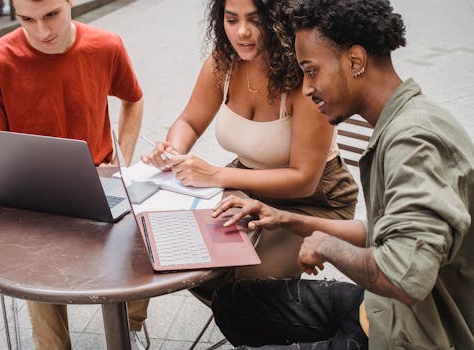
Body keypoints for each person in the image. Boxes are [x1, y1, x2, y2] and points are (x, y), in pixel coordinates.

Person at [210, 0, 474, 349]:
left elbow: (405, 276)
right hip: (375, 308)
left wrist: (328, 246)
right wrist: (285, 218)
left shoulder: (415, 142)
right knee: (233, 304)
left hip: (405, 337)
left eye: (312, 70)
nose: (305, 87)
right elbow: (381, 235)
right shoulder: (399, 122)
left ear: (355, 61)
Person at [0, 0, 148, 348]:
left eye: (52, 15)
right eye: (26, 20)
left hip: (100, 182)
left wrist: (122, 162)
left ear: (69, 2)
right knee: (36, 268)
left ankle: (130, 327)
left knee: (148, 239)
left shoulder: (106, 45)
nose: (42, 32)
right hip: (33, 198)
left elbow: (133, 99)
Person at [142, 0, 358, 286]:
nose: (242, 32)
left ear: (278, 20)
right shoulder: (223, 63)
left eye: (255, 20)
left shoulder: (303, 77)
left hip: (314, 202)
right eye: (232, 20)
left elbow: (304, 179)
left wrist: (216, 175)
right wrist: (173, 150)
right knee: (171, 246)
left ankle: (261, 320)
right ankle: (242, 320)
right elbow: (189, 122)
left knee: (248, 280)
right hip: (245, 191)